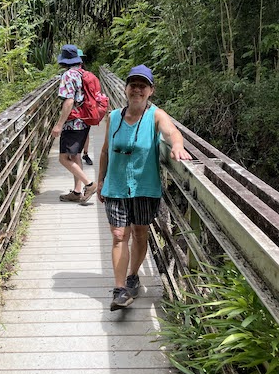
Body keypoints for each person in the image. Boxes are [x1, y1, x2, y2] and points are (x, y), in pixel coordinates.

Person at [97, 65, 192, 311]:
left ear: (151, 90)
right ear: (126, 88)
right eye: (133, 85)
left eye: (143, 86)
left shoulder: (156, 115)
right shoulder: (113, 117)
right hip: (115, 187)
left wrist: (177, 146)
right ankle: (120, 290)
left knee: (140, 234)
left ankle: (133, 276)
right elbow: (105, 151)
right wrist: (100, 180)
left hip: (144, 187)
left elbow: (172, 132)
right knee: (119, 235)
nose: (137, 90)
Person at [52, 44, 97, 203]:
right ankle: (77, 192)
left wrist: (59, 124)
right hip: (84, 120)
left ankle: (89, 184)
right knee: (75, 155)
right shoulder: (83, 73)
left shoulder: (68, 75)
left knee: (63, 158)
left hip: (73, 123)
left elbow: (69, 101)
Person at [77, 49, 93, 166]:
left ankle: (85, 153)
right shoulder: (69, 75)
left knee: (85, 132)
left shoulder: (86, 75)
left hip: (84, 108)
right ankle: (79, 154)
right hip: (79, 109)